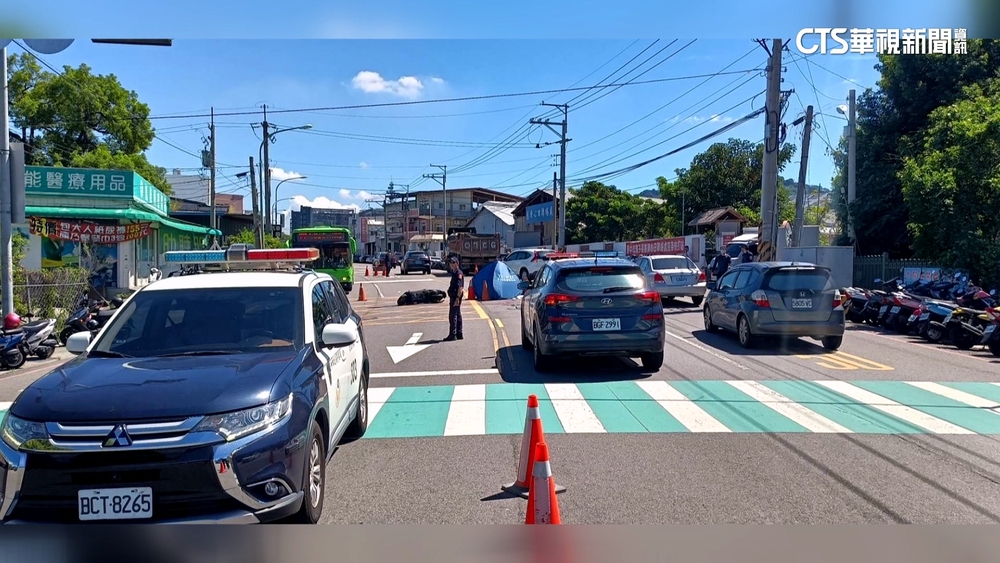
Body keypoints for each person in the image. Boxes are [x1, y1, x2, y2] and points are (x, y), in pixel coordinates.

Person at [444, 256, 464, 341]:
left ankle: (453, 334)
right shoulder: (455, 272)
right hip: (454, 296)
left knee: (453, 316)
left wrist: (457, 298)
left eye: (453, 263)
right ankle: (459, 333)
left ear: (457, 264)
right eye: (450, 263)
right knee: (458, 315)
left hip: (456, 296)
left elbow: (460, 287)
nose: (451, 264)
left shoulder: (458, 273)